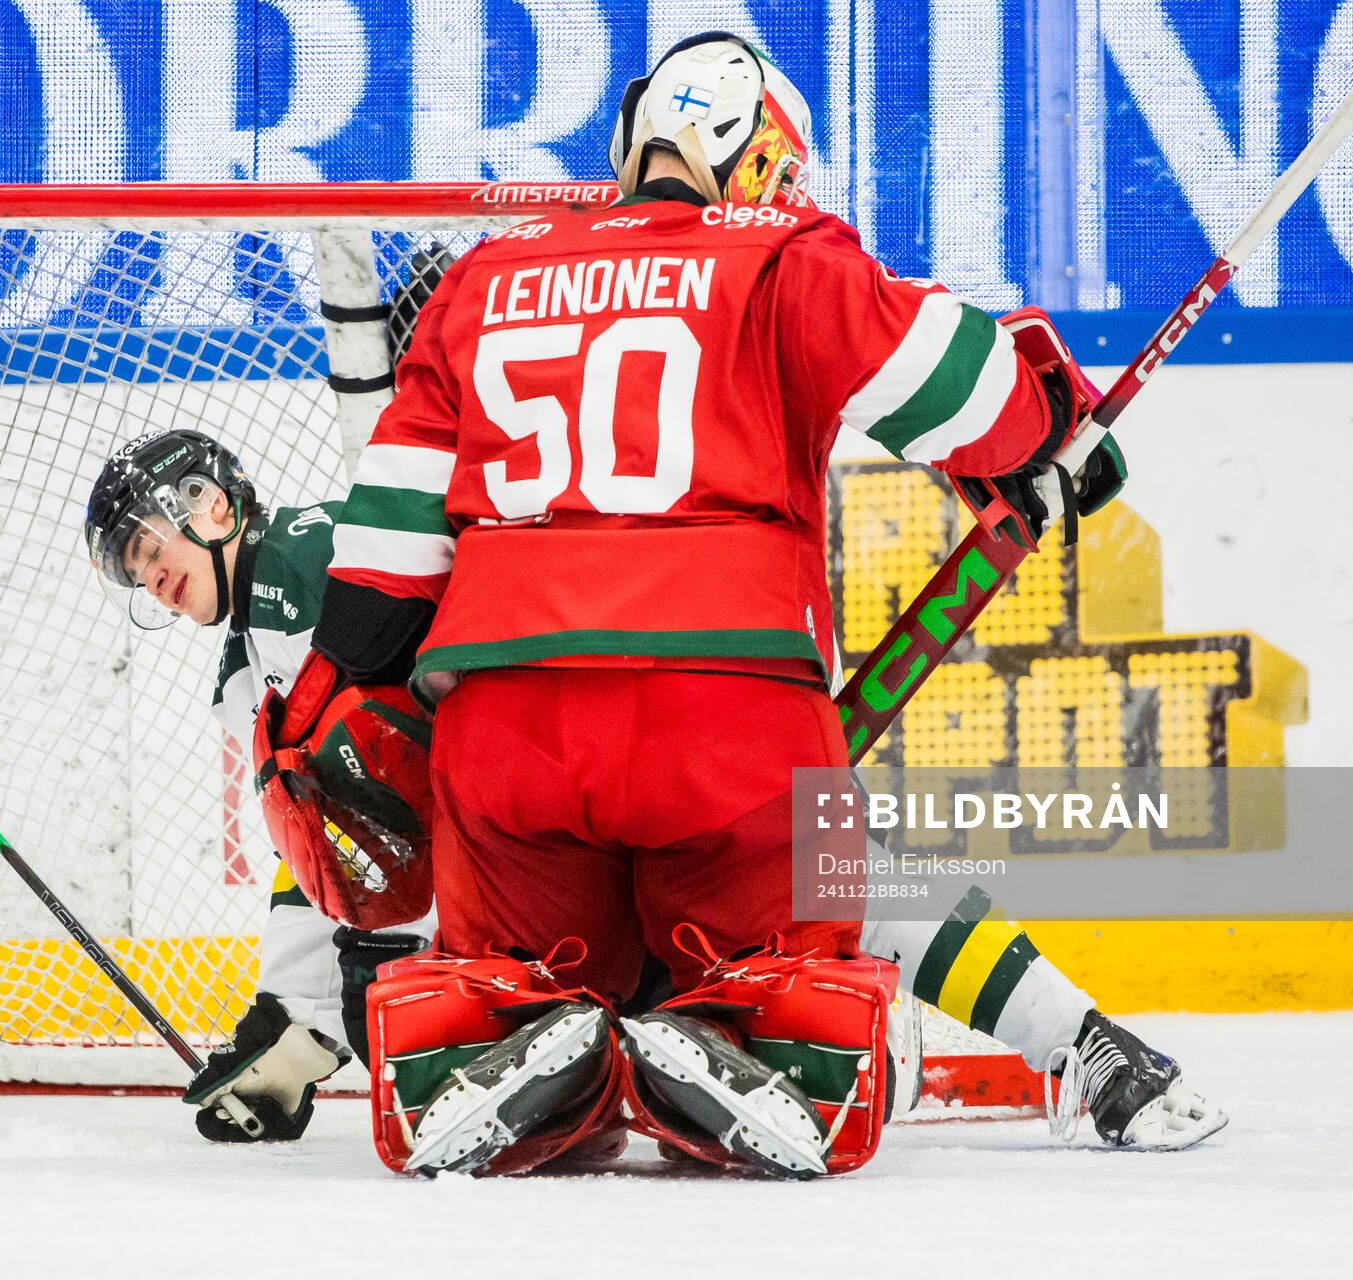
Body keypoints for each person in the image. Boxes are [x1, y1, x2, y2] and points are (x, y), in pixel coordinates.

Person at [266, 31, 1171, 1179]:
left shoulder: (485, 277)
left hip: (506, 726)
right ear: (751, 153)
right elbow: (966, 386)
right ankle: (744, 1033)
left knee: (527, 961)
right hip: (728, 714)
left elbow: (386, 554)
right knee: (792, 933)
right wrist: (1052, 420)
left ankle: (520, 1032)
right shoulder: (785, 254)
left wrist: (341, 687)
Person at [81, 428, 429, 1143]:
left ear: (209, 505)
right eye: (133, 572)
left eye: (148, 548)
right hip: (481, 840)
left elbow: (412, 777)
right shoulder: (244, 667)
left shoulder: (304, 562)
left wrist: (397, 941)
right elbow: (321, 838)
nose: (149, 578)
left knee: (400, 1014)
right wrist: (294, 1017)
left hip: (532, 811)